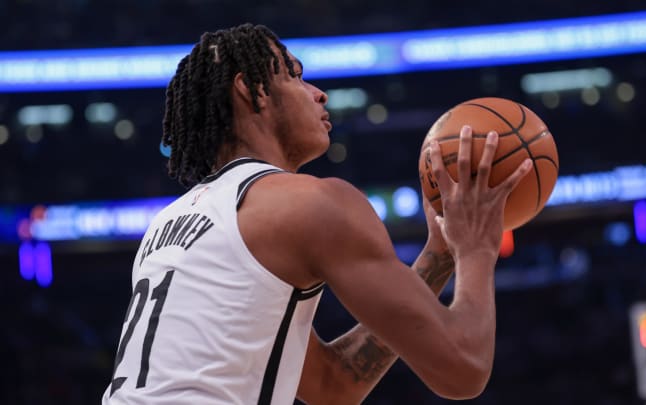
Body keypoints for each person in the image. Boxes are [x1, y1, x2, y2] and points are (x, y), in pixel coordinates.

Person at [101, 23, 532, 404]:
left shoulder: (168, 224)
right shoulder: (311, 203)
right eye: (295, 75)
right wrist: (476, 249)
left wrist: (440, 255)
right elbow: (464, 368)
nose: (318, 92)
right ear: (252, 91)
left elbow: (334, 386)